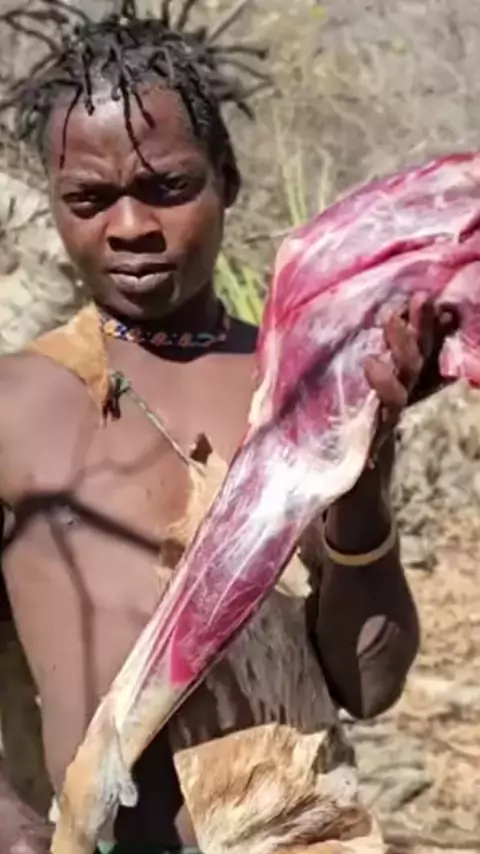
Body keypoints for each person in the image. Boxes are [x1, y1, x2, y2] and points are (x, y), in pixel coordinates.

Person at [0, 2, 452, 852]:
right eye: (88, 200)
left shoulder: (304, 384)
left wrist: (361, 485)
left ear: (227, 182)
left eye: (167, 188)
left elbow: (368, 685)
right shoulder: (19, 405)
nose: (130, 228)